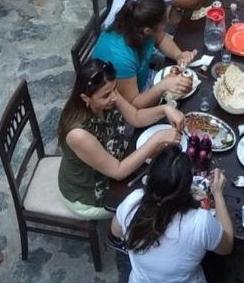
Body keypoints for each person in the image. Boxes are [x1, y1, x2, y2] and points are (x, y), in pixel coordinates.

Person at [57, 58, 184, 218]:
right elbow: (118, 171)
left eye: (114, 89)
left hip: (114, 163)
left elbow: (136, 117)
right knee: (157, 202)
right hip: (92, 193)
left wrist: (166, 109)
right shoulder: (78, 134)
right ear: (85, 98)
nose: (114, 97)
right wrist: (156, 140)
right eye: (106, 95)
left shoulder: (109, 94)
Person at [112, 146, 233, 283]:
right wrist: (218, 194)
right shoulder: (200, 222)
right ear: (187, 189)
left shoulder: (132, 202)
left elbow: (115, 232)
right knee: (218, 264)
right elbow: (227, 246)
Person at [92, 0, 197, 107]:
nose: (165, 26)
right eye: (164, 25)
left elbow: (160, 39)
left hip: (144, 77)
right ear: (148, 31)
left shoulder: (139, 24)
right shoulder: (121, 58)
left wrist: (179, 55)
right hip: (130, 101)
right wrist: (162, 86)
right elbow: (134, 103)